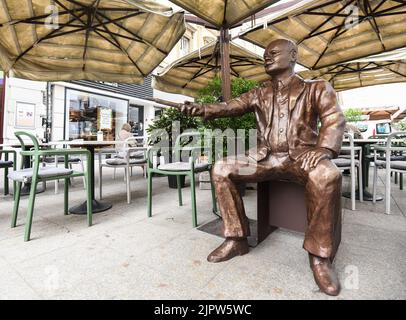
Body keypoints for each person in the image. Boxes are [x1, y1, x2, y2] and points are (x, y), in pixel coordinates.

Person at [179, 39, 346, 296]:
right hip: (265, 157)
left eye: (273, 53)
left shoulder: (317, 88)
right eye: (265, 54)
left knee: (327, 174)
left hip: (301, 157)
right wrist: (201, 108)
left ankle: (320, 258)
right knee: (222, 168)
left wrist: (323, 150)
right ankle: (236, 239)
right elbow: (228, 107)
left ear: (292, 56)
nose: (266, 57)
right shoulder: (259, 92)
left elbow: (333, 119)